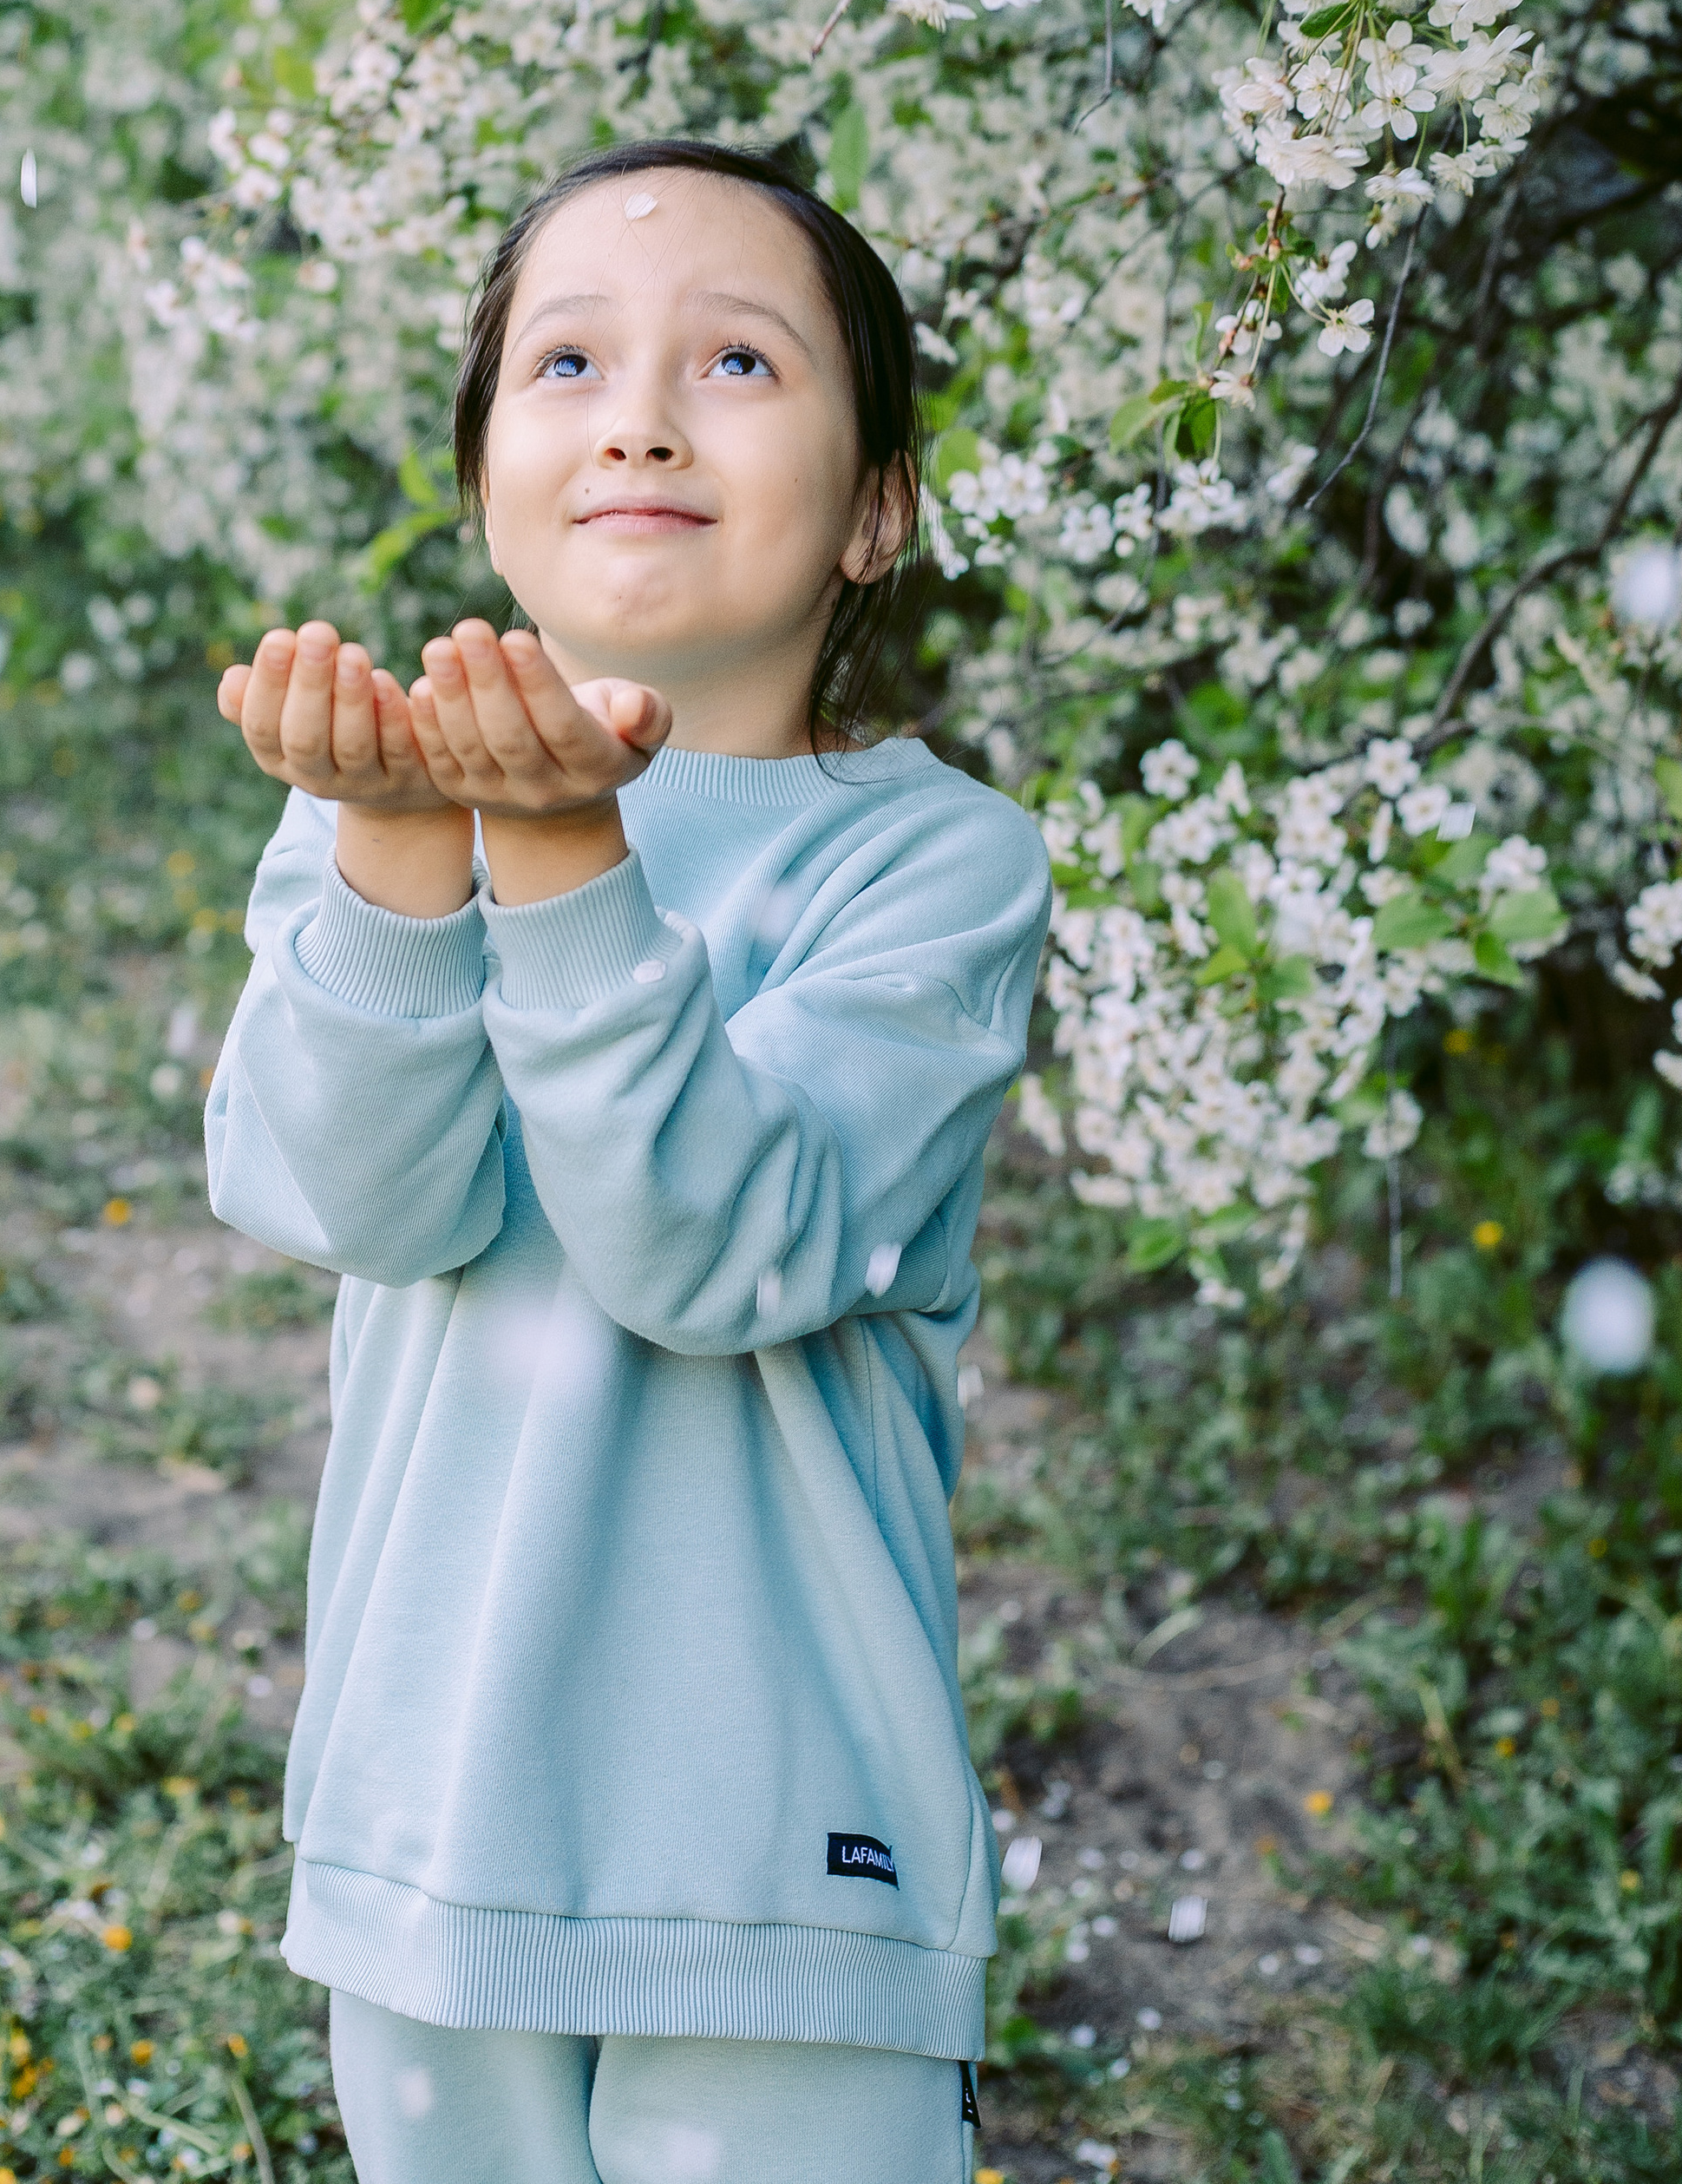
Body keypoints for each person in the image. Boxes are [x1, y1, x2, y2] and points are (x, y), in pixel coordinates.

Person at [206, 140, 1053, 2184]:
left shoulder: (929, 863)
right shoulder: (370, 811)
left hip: (776, 1838)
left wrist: (566, 859)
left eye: (739, 363)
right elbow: (348, 1201)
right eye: (565, 361)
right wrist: (404, 863)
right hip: (436, 1810)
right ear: (490, 465)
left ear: (877, 510)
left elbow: (713, 1251)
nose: (641, 415)